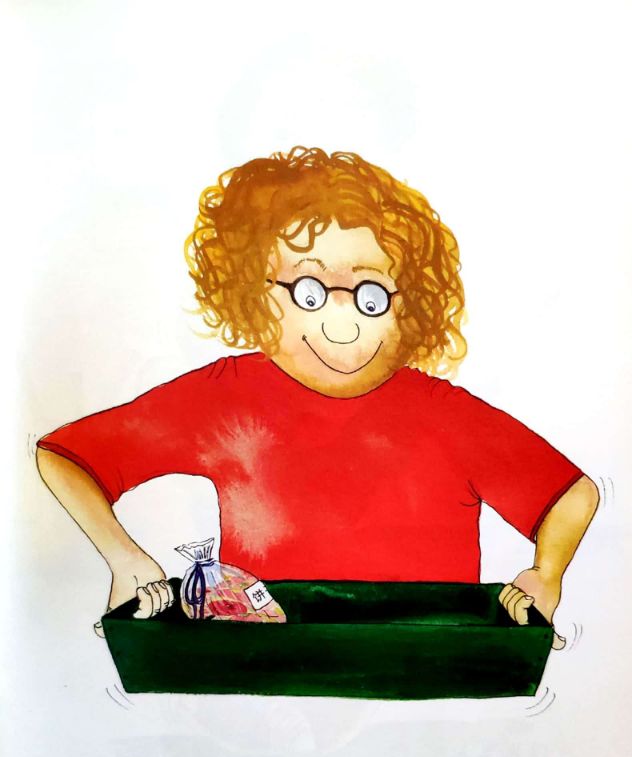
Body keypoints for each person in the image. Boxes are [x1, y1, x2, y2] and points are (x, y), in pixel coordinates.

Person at [36, 146, 599, 646]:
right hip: (261, 673)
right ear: (252, 293)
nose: (342, 324)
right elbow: (66, 456)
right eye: (309, 291)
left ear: (413, 302)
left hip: (426, 669)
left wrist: (545, 575)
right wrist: (125, 559)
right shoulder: (227, 397)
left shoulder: (445, 413)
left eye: (371, 295)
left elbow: (571, 494)